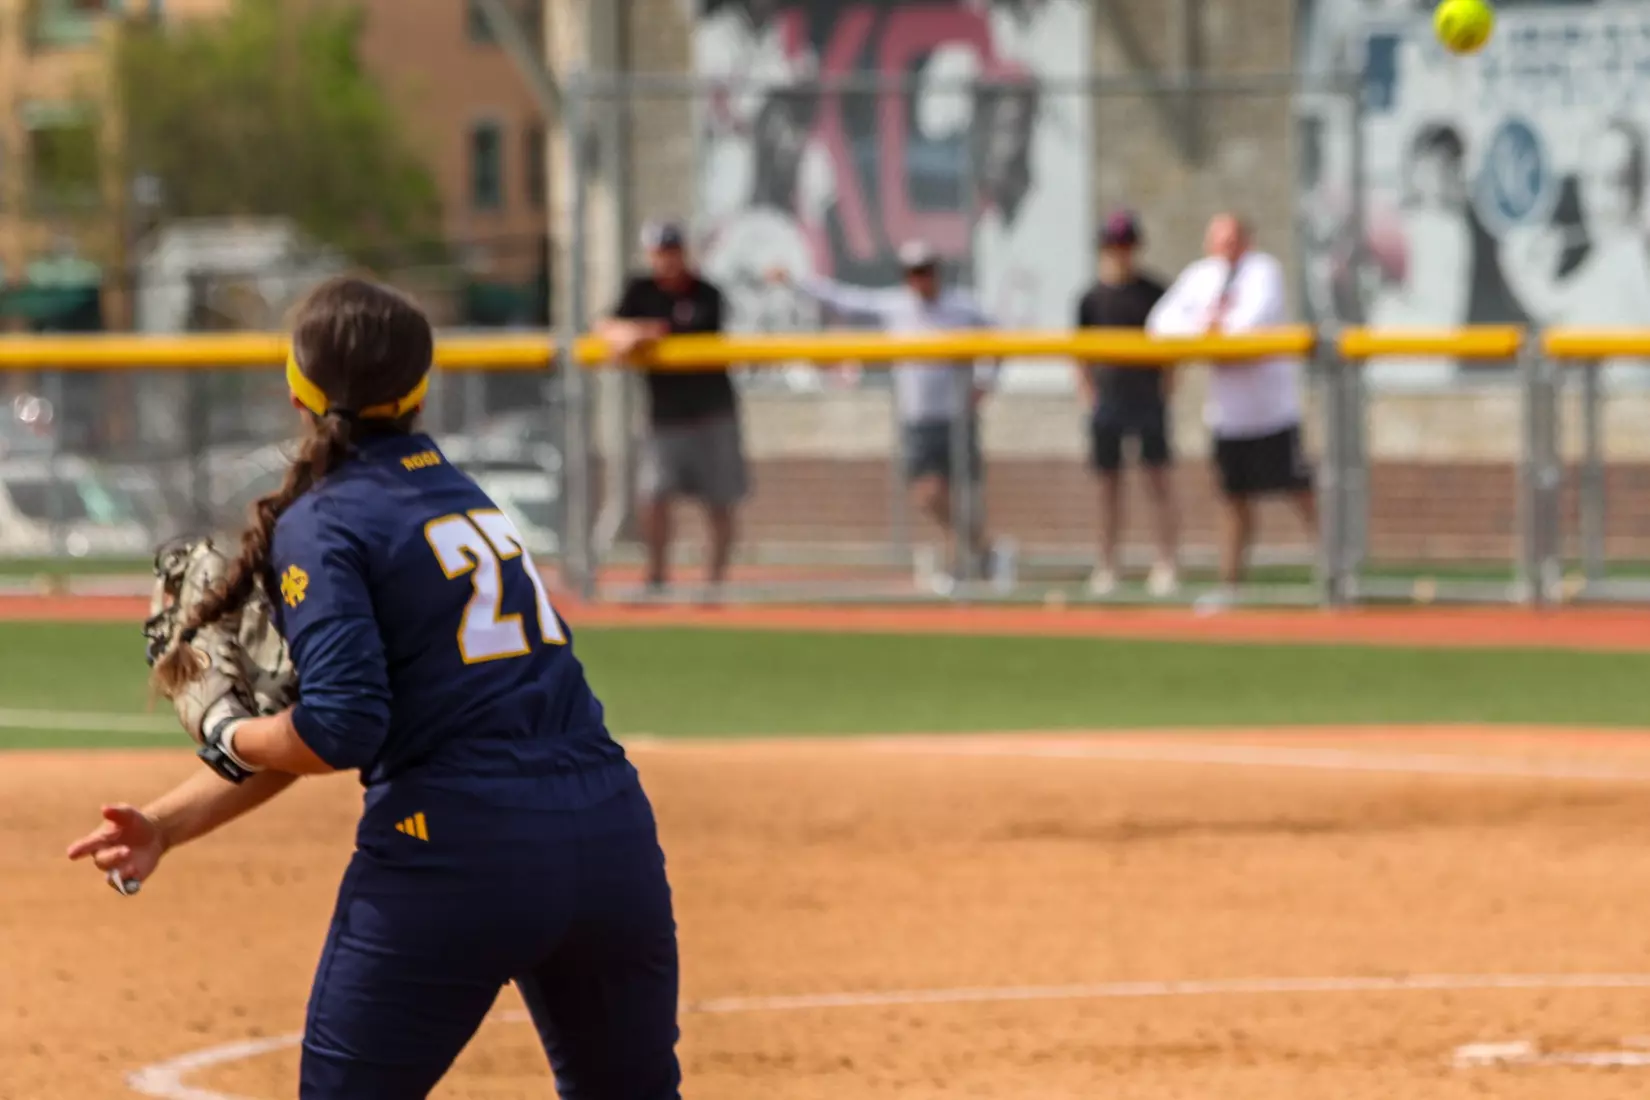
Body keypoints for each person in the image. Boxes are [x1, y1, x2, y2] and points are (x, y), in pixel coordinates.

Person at [66, 278, 681, 1099]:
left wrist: (226, 729)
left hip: (461, 853)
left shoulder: (326, 522)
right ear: (422, 389)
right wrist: (167, 826)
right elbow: (346, 719)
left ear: (296, 389)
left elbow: (341, 729)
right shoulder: (460, 493)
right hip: (611, 840)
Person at [771, 241, 1003, 592]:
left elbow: (1001, 336)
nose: (920, 279)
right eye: (913, 273)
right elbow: (841, 298)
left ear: (937, 272)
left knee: (964, 493)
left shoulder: (962, 307)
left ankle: (962, 563)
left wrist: (987, 383)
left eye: (925, 271)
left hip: (957, 418)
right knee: (928, 494)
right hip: (918, 419)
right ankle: (981, 549)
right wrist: (794, 280)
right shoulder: (896, 306)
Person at [1147, 214, 1314, 608]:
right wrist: (1206, 328)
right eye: (1217, 239)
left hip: (1272, 410)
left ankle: (1336, 575)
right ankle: (1230, 585)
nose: (1224, 247)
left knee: (1300, 492)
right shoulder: (1201, 276)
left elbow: (1249, 323)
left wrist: (1210, 329)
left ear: (1246, 240)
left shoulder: (1263, 271)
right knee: (1231, 499)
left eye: (1232, 238)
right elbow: (1161, 323)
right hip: (1229, 414)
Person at [601, 222, 748, 597]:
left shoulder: (706, 293)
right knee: (652, 496)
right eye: (660, 252)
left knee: (719, 499)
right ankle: (656, 575)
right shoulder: (640, 290)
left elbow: (686, 330)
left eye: (673, 251)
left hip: (712, 412)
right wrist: (623, 333)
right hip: (663, 417)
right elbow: (606, 325)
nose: (667, 259)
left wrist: (643, 333)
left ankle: (715, 580)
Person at [1074, 211, 1177, 597]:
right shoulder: (1091, 298)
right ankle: (1107, 564)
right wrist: (1088, 393)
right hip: (1108, 401)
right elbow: (1078, 353)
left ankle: (1165, 562)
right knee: (1107, 487)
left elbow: (1172, 349)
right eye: (1113, 244)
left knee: (1157, 482)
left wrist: (1167, 388)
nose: (1120, 252)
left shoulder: (1153, 292)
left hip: (1147, 398)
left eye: (1126, 244)